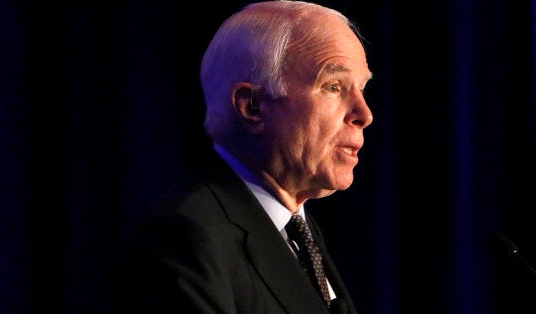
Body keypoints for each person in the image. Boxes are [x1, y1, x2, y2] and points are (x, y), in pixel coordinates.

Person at [122, 1, 373, 313]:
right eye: (333, 86)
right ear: (252, 107)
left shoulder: (296, 230)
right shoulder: (186, 237)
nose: (364, 114)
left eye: (362, 89)